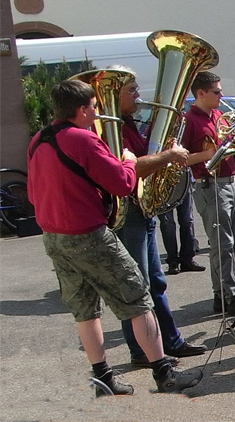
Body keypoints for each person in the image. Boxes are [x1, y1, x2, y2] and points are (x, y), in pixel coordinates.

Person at [27, 79, 202, 396]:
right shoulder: (83, 140)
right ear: (81, 109)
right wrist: (130, 160)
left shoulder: (38, 139)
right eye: (94, 107)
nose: (97, 113)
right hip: (87, 234)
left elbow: (32, 193)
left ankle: (103, 378)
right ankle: (164, 373)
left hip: (54, 236)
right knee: (139, 298)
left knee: (85, 310)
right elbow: (122, 183)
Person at [114, 74, 207, 368]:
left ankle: (170, 341)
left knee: (154, 281)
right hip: (128, 211)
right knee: (136, 285)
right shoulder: (110, 129)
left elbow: (145, 157)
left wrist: (164, 148)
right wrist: (167, 154)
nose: (138, 95)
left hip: (142, 209)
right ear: (112, 95)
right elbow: (130, 168)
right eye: (132, 90)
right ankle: (141, 350)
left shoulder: (128, 124)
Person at [180, 71, 235, 314]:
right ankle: (233, 294)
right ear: (201, 93)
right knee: (222, 243)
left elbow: (232, 145)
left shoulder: (219, 115)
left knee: (232, 243)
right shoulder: (189, 120)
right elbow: (180, 160)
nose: (221, 95)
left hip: (230, 182)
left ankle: (221, 295)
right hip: (209, 184)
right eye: (217, 91)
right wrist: (205, 155)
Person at [157, 184, 202, 275]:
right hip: (162, 184)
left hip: (183, 180)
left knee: (187, 220)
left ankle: (187, 260)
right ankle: (172, 262)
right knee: (168, 224)